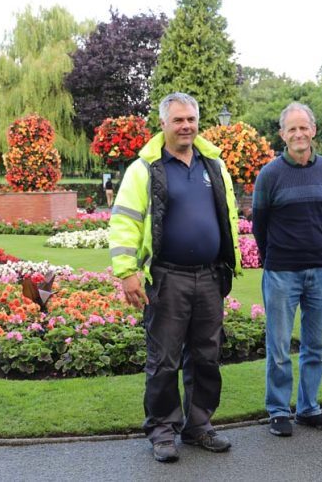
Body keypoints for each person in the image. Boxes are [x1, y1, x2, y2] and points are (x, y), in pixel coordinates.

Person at [108, 92, 242, 463]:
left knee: (206, 356)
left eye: (191, 119)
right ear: (164, 123)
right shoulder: (145, 169)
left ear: (198, 122)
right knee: (164, 359)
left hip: (211, 277)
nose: (186, 126)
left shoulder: (212, 164)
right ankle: (162, 430)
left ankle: (199, 426)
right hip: (167, 278)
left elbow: (226, 216)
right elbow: (124, 221)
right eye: (178, 120)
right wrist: (127, 273)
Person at [252, 102, 322, 437]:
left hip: (321, 270)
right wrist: (273, 256)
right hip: (282, 272)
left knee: (316, 346)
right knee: (278, 348)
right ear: (282, 134)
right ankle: (278, 410)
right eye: (292, 129)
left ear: (313, 130)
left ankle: (308, 408)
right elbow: (259, 223)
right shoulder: (270, 174)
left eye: (304, 127)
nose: (299, 134)